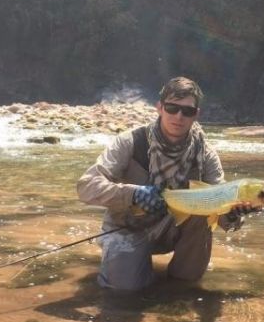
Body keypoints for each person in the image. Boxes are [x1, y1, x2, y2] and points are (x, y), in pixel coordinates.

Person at [77, 76, 251, 290]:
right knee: (122, 291)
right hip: (128, 227)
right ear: (159, 108)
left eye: (187, 111)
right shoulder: (130, 142)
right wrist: (133, 194)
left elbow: (221, 208)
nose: (179, 116)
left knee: (204, 210)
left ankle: (181, 284)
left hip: (174, 230)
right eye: (172, 108)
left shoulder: (205, 154)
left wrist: (233, 216)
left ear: (196, 115)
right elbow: (86, 187)